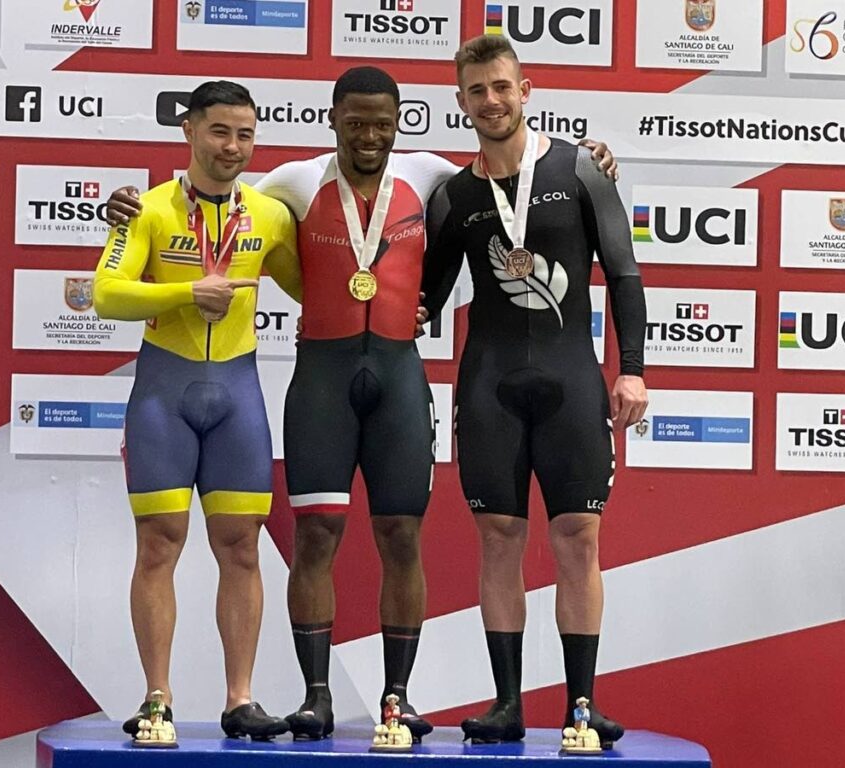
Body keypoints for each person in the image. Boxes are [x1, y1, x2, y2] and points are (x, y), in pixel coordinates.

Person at [106, 67, 618, 742]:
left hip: (400, 378)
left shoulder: (433, 172)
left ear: (400, 123)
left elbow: (505, 166)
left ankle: (396, 697)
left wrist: (591, 159)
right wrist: (129, 206)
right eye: (355, 123)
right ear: (333, 121)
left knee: (401, 536)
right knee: (311, 536)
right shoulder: (289, 183)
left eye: (382, 123)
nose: (369, 135)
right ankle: (310, 696)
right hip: (321, 378)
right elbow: (218, 209)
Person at [421, 35, 648, 746]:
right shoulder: (454, 195)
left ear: (527, 90)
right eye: (477, 91)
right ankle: (507, 703)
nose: (491, 100)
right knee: (498, 539)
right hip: (488, 384)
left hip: (571, 380)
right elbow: (424, 296)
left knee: (579, 538)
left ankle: (581, 705)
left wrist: (633, 368)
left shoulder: (580, 169)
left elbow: (626, 271)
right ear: (461, 104)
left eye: (502, 86)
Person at [93, 80, 302, 740]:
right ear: (189, 132)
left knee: (242, 548)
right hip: (164, 394)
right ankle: (157, 697)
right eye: (219, 132)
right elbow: (105, 295)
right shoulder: (147, 210)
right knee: (159, 545)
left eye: (245, 134)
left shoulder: (268, 215)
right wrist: (188, 292)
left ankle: (240, 698)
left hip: (237, 393)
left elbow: (319, 285)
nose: (232, 146)